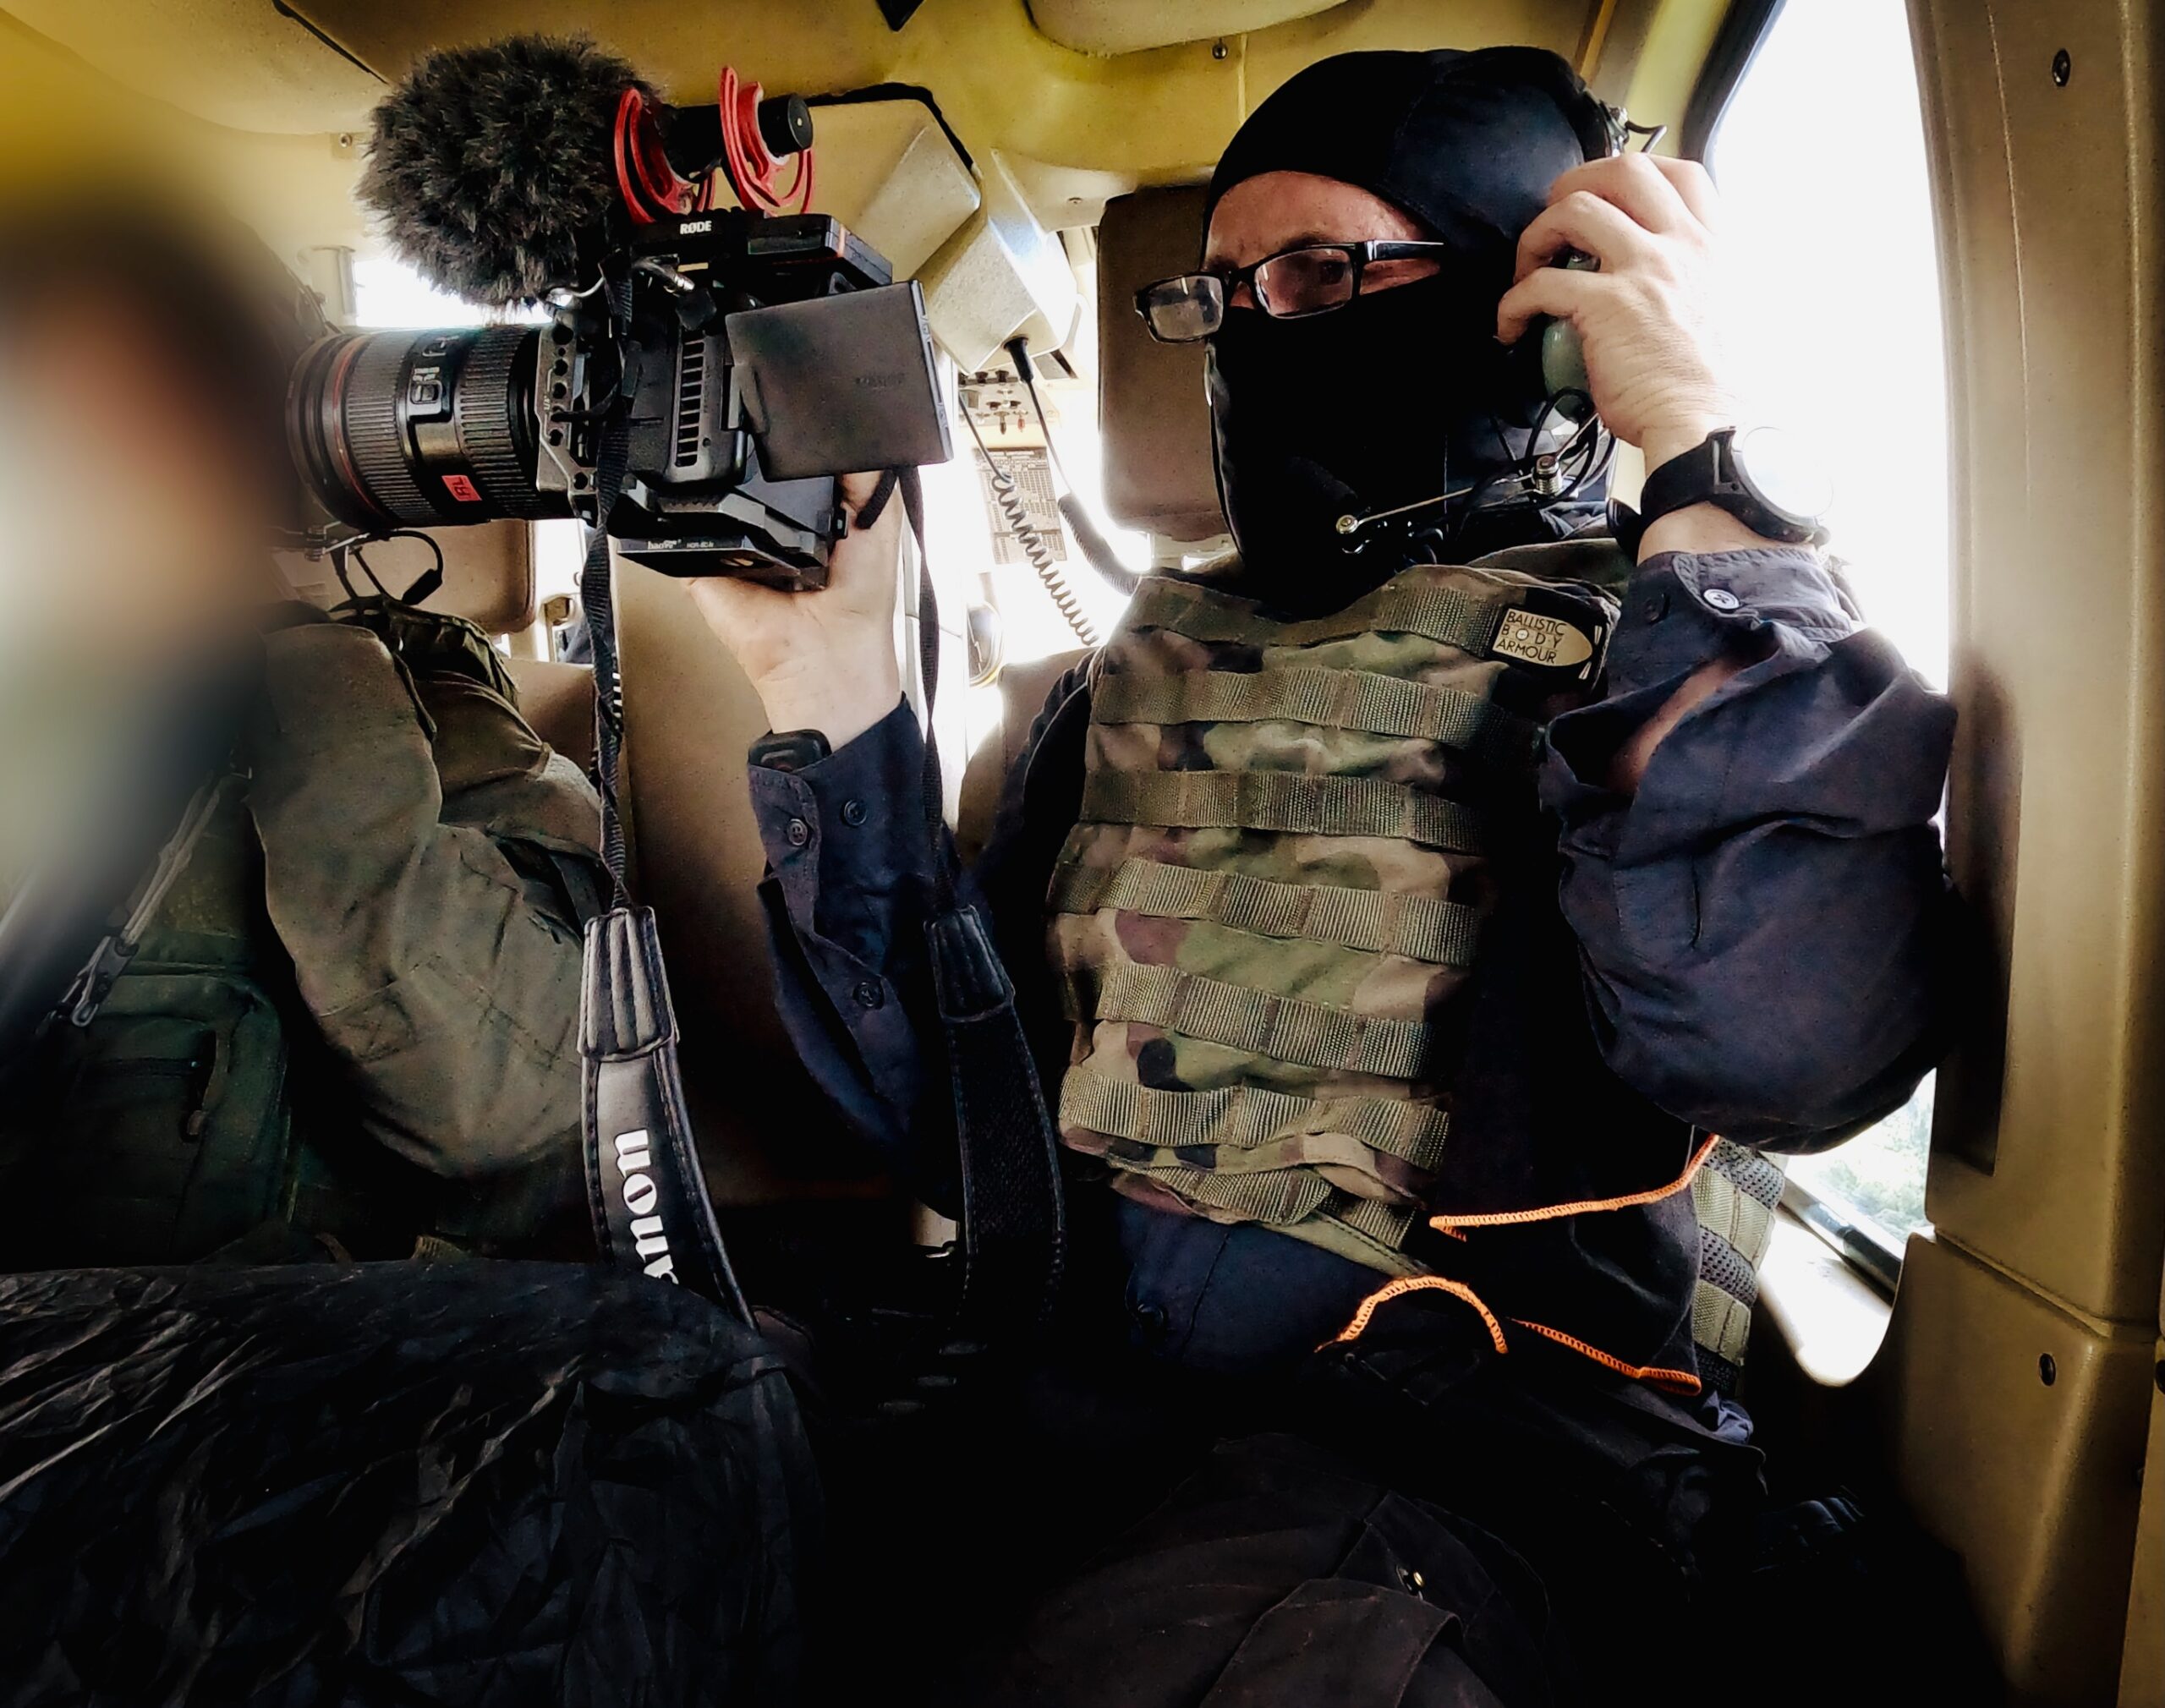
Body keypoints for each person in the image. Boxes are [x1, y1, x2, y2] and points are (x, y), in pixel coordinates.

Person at [690, 45, 1959, 1700]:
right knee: (608, 1474)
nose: (1244, 340)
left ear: (1536, 307)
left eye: (1310, 277)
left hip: (1452, 1460)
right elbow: (953, 1120)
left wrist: (1694, 456)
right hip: (1052, 1384)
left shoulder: (1654, 644)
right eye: (1215, 297)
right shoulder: (1130, 666)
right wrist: (828, 674)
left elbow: (1786, 1044)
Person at [0, 200, 605, 1265]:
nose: (100, 481)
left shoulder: (421, 691)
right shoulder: (32, 704)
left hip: (237, 1377)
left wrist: (269, 632)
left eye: (142, 431)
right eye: (60, 436)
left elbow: (519, 1096)